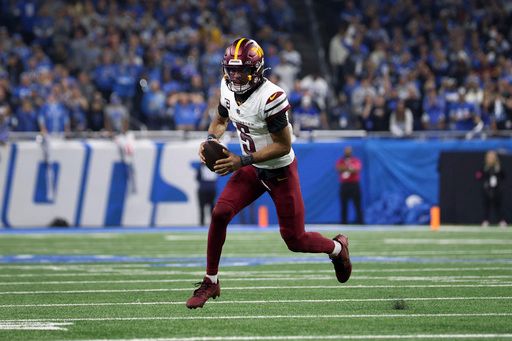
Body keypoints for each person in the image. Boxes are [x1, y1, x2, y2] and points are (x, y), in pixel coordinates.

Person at [186, 38, 352, 309]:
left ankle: (337, 248)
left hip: (279, 171)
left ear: (258, 68)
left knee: (295, 240)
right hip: (251, 167)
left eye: (242, 70)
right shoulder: (227, 87)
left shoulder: (271, 97)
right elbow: (219, 119)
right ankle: (211, 281)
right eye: (232, 69)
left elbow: (283, 145)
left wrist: (241, 160)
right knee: (219, 213)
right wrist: (210, 141)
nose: (236, 75)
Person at [476, 150, 507, 227]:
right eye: (489, 157)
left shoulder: (498, 167)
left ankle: (501, 221)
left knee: (498, 206)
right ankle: (485, 220)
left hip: (497, 190)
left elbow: (504, 176)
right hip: (487, 190)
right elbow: (478, 176)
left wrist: (498, 170)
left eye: (492, 157)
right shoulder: (484, 167)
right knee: (486, 206)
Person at [336, 146, 364, 225]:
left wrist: (346, 168)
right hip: (344, 185)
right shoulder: (341, 160)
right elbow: (338, 168)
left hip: (354, 185)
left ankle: (360, 221)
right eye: (346, 151)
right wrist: (349, 168)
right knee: (344, 204)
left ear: (351, 152)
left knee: (357, 204)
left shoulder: (355, 160)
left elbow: (357, 169)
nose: (347, 152)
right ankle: (344, 222)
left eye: (349, 151)